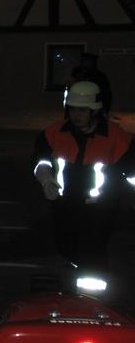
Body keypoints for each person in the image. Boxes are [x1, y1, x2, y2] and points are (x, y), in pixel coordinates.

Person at [33, 80, 135, 294]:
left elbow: (131, 170)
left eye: (82, 110)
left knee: (92, 250)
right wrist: (46, 180)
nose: (76, 115)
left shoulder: (116, 137)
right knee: (66, 246)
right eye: (72, 109)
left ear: (95, 111)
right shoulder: (54, 133)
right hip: (64, 204)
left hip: (100, 208)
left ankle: (92, 297)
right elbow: (41, 161)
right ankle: (82, 280)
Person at [68, 52, 112, 116]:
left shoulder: (100, 76)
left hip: (92, 108)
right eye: (83, 61)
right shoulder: (77, 74)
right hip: (76, 104)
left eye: (87, 61)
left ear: (93, 62)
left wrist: (104, 110)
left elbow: (106, 95)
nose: (85, 64)